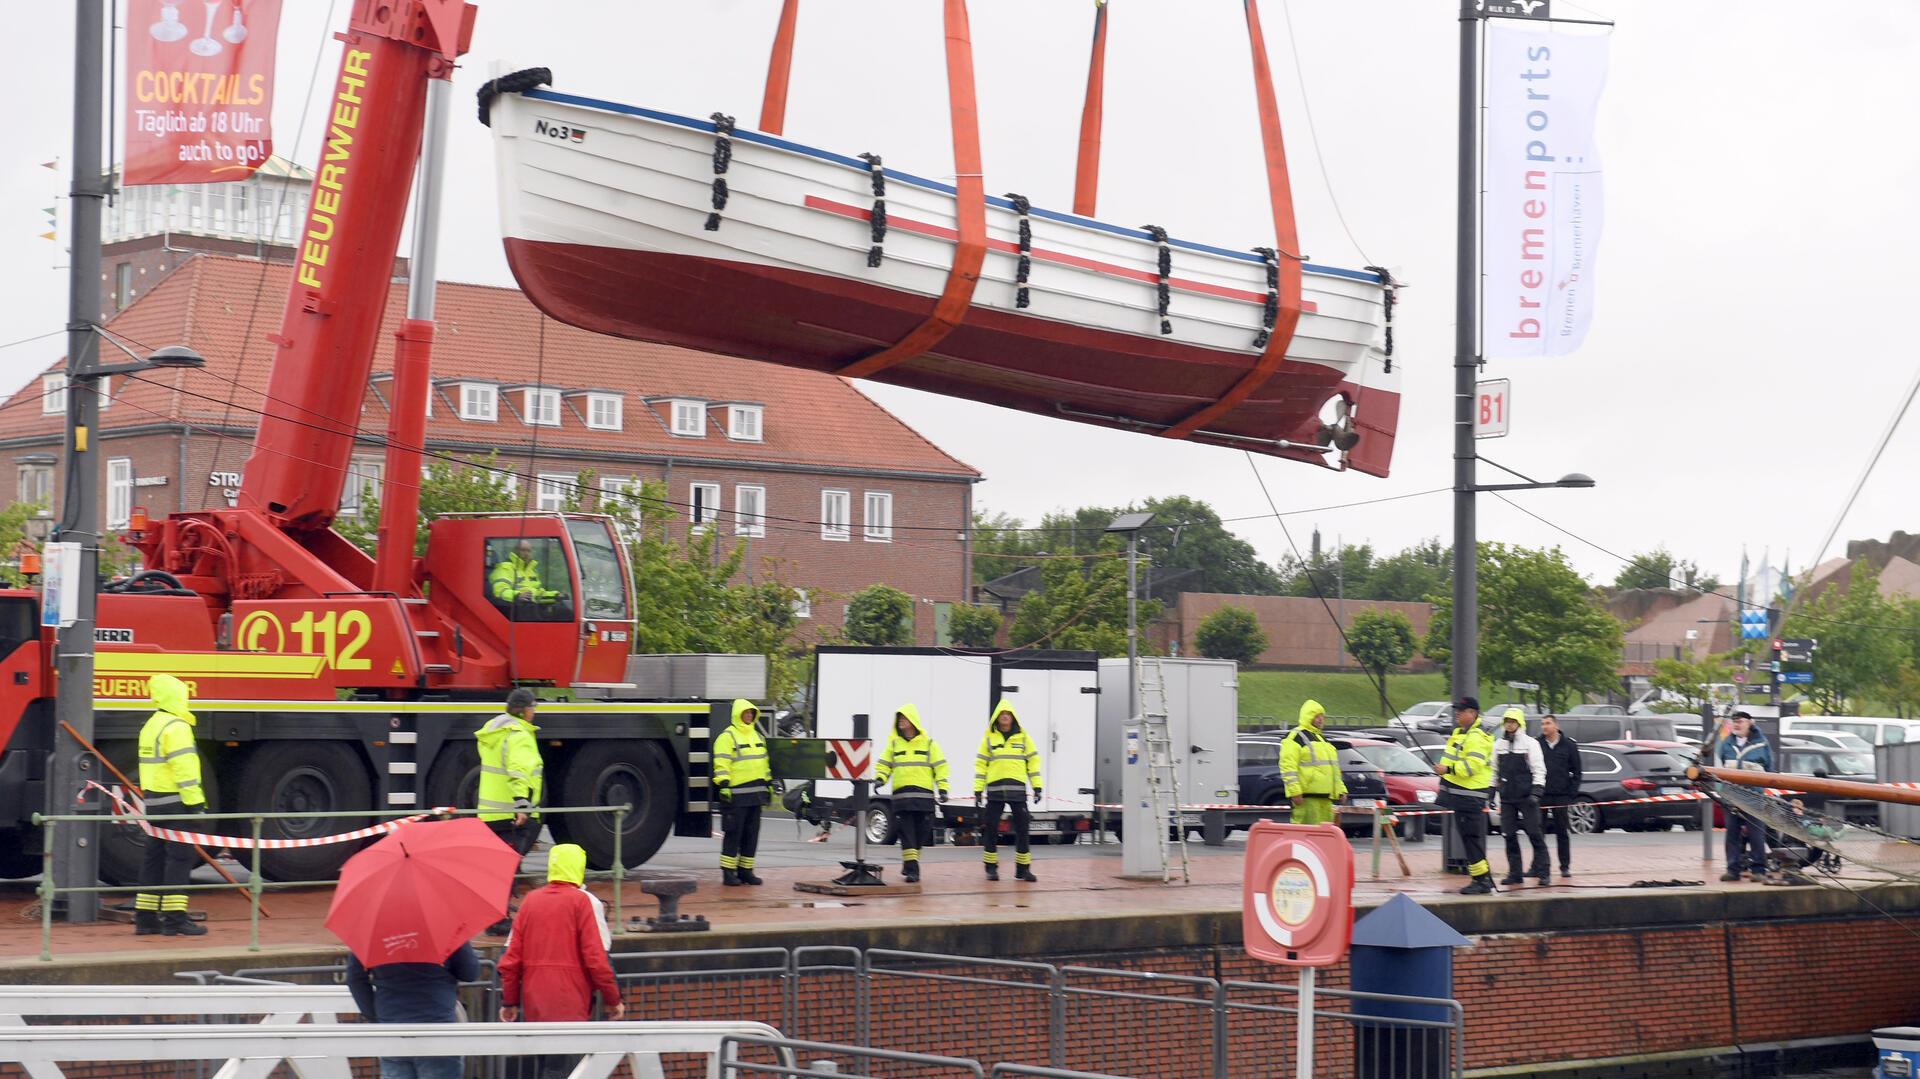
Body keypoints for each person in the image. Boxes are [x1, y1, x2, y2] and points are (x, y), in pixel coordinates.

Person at [497, 844, 625, 1079]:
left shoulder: (530, 902)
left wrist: (510, 1001)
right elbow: (596, 959)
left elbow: (511, 960)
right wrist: (612, 999)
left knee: (547, 1065)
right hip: (570, 1004)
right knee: (567, 1070)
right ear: (579, 868)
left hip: (535, 1003)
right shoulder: (581, 902)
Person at [134, 673, 210, 937]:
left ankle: (145, 919)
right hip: (178, 804)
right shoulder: (177, 727)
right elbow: (185, 770)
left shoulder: (151, 725)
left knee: (153, 858)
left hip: (154, 804)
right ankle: (175, 920)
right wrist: (196, 805)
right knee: (180, 859)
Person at [346, 938, 482, 1079]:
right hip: (438, 1027)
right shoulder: (447, 929)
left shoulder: (371, 935)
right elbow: (470, 973)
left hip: (392, 1028)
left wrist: (376, 1017)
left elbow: (355, 979)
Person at [477, 688, 544, 935]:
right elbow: (518, 768)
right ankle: (498, 919)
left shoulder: (496, 732)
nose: (535, 711)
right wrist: (522, 802)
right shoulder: (519, 734)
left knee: (498, 866)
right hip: (510, 813)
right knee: (507, 867)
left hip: (491, 813)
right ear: (525, 710)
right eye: (533, 707)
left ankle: (496, 914)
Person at [876, 703, 949, 883]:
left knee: (922, 832)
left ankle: (909, 862)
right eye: (899, 718)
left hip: (924, 797)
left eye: (904, 718)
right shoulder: (894, 744)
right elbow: (884, 764)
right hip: (902, 797)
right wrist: (880, 778)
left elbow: (940, 766)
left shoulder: (929, 744)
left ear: (913, 721)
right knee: (907, 833)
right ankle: (913, 871)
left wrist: (943, 787)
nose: (901, 721)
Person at [1433, 696, 1497, 895]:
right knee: (1469, 839)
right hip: (1461, 795)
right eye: (1457, 710)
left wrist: (1448, 769)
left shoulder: (1476, 736)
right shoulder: (1460, 733)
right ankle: (1481, 878)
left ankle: (1481, 881)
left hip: (1470, 796)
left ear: (1473, 713)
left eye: (1462, 710)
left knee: (1471, 838)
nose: (1457, 714)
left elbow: (1472, 766)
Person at [974, 699, 1042, 882]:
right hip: (995, 791)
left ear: (1013, 717)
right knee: (990, 829)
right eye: (1002, 714)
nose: (1005, 716)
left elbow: (1033, 763)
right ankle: (991, 869)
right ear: (997, 717)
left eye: (1008, 713)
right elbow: (981, 765)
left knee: (1022, 829)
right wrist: (978, 790)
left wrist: (1037, 787)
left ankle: (1023, 870)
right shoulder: (989, 739)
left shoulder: (1024, 738)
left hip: (1017, 791)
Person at [714, 698, 771, 886]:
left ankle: (746, 871)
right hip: (736, 795)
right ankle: (728, 873)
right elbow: (721, 762)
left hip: (755, 795)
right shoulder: (727, 737)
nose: (749, 716)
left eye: (751, 713)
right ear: (738, 714)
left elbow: (764, 764)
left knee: (751, 835)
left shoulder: (758, 737)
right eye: (746, 713)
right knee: (733, 834)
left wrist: (768, 785)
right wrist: (723, 784)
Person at [1716, 711, 1774, 883]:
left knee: (1756, 835)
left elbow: (1769, 768)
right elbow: (1721, 766)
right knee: (1732, 835)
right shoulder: (1727, 744)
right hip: (1731, 797)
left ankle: (1759, 869)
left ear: (1750, 723)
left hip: (1754, 798)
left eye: (1740, 722)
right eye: (1734, 722)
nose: (1736, 725)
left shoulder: (1762, 744)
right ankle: (1733, 869)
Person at [1494, 707, 1549, 885]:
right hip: (1507, 797)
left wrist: (1537, 792)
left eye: (1513, 721)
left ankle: (1543, 873)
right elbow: (1494, 770)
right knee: (1509, 835)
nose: (1509, 725)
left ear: (1519, 723)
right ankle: (1515, 873)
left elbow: (1539, 769)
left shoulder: (1530, 744)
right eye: (1507, 721)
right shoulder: (1499, 745)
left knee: (1535, 834)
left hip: (1527, 797)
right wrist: (1490, 791)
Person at [1279, 699, 1347, 825]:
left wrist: (1341, 790)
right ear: (1308, 717)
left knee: (1324, 839)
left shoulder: (1323, 740)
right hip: (1307, 799)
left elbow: (1333, 769)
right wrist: (1295, 793)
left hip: (1326, 800)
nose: (1320, 719)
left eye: (1322, 716)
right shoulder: (1295, 737)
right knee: (1306, 840)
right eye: (1316, 716)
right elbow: (1288, 767)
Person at [1537, 715, 1582, 878]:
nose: (1544, 727)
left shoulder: (1569, 745)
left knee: (1562, 831)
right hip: (1542, 794)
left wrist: (1571, 793)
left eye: (1548, 723)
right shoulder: (1537, 744)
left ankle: (1565, 866)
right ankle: (1540, 866)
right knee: (1538, 832)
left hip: (1561, 795)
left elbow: (1577, 772)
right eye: (1542, 724)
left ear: (1556, 726)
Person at [490, 539, 559, 606]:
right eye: (523, 550)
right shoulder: (505, 567)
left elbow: (537, 595)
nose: (526, 554)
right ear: (515, 551)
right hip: (512, 611)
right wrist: (517, 595)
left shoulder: (532, 571)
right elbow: (499, 591)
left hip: (529, 610)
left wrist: (555, 595)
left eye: (529, 551)